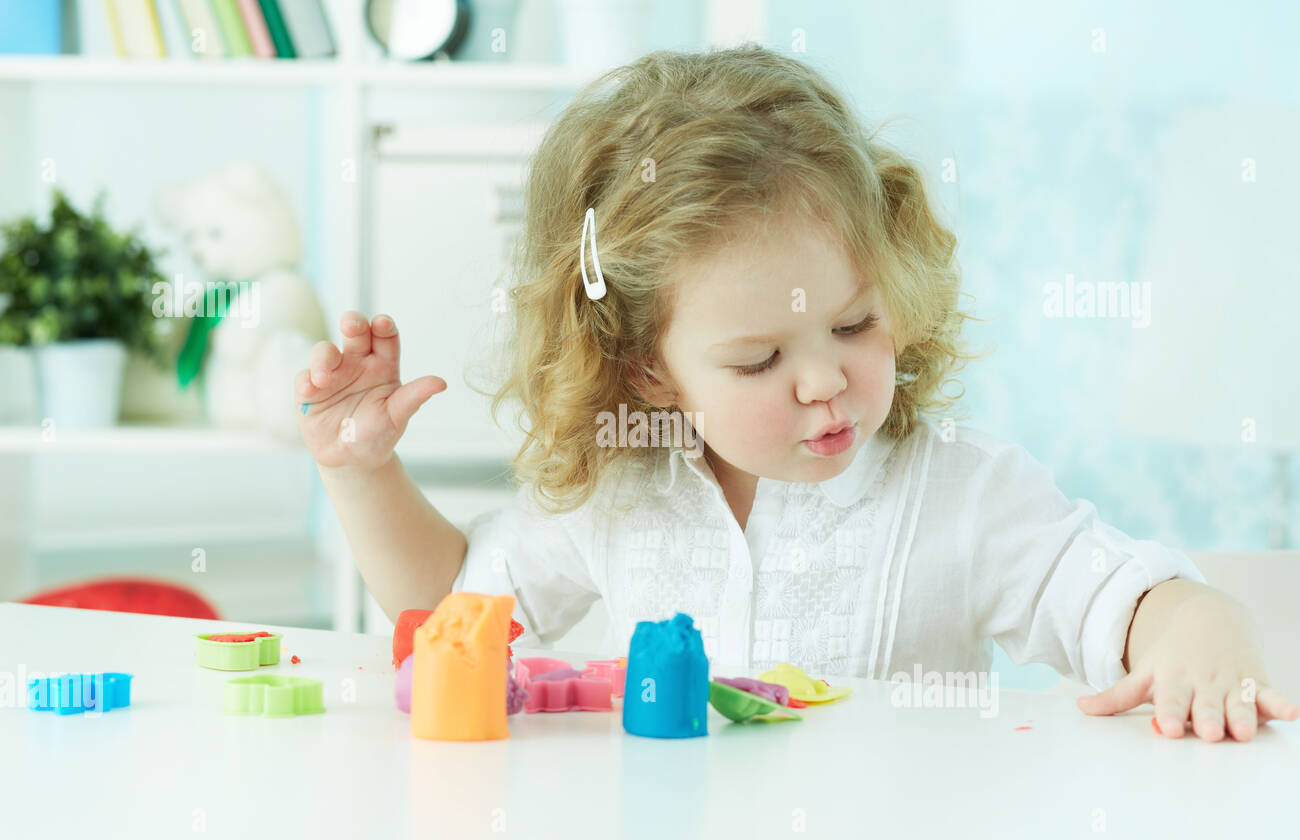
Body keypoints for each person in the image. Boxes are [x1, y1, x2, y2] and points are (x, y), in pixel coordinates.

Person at [296, 44, 1296, 742]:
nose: (824, 378)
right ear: (648, 366)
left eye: (854, 324)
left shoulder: (962, 490)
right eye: (759, 359)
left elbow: (1113, 596)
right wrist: (363, 472)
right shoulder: (620, 489)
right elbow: (455, 618)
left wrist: (1194, 623)